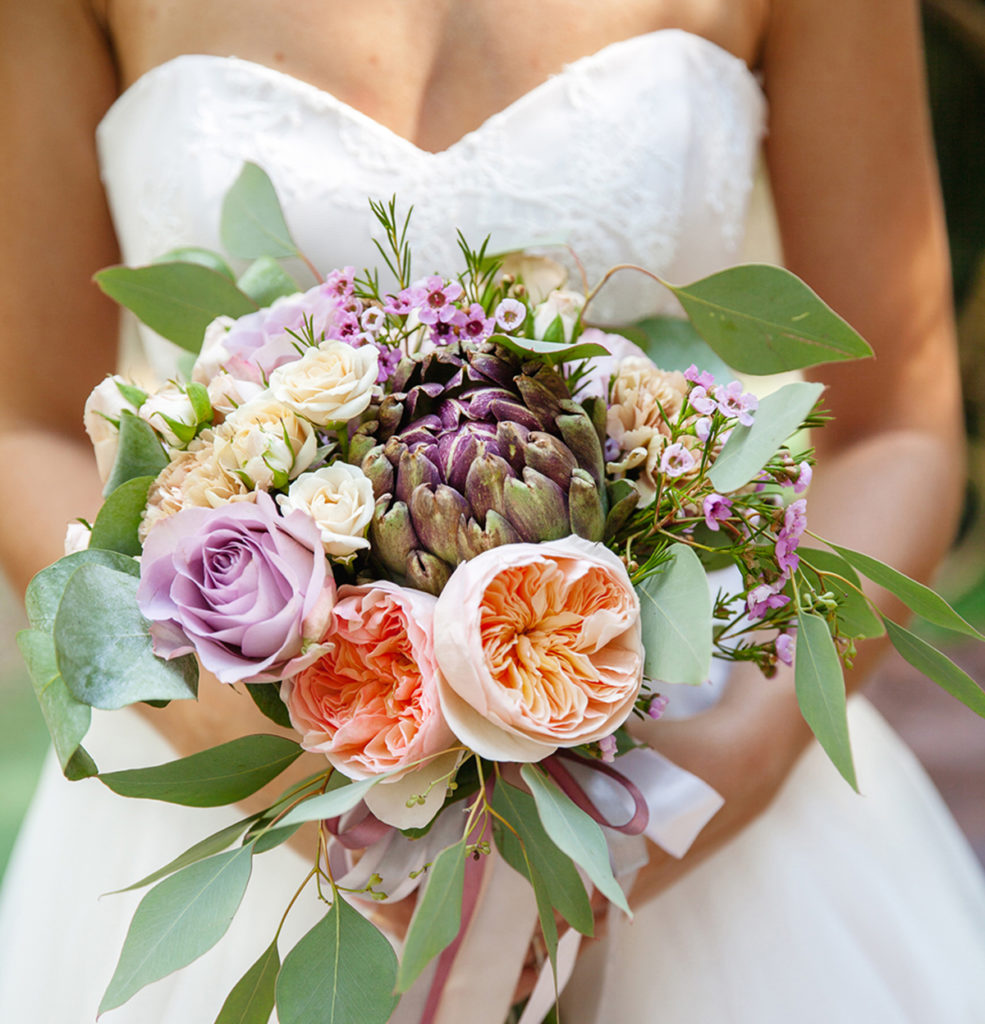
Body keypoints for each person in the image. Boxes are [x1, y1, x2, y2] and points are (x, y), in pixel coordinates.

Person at [1, 0, 984, 1021]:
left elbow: (892, 428)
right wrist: (281, 777)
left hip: (689, 765)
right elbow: (20, 426)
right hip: (240, 764)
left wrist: (715, 776)